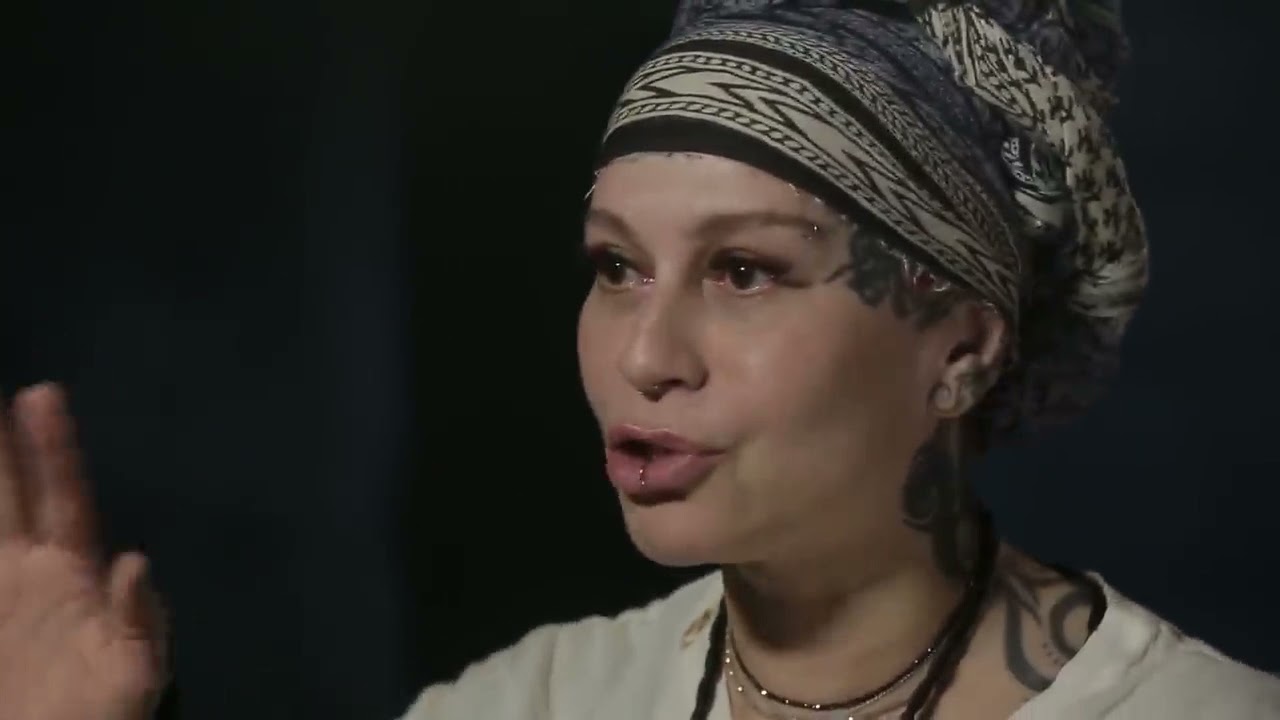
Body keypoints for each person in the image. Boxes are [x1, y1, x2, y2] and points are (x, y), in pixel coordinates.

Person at [0, 2, 1277, 720]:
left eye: (743, 271)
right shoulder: (532, 704)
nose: (645, 356)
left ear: (959, 346)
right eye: (615, 266)